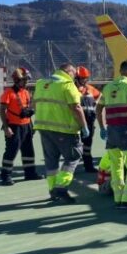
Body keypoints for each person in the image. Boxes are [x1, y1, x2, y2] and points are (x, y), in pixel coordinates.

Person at [33, 63, 89, 203]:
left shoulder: (41, 83)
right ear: (69, 71)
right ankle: (61, 188)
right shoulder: (67, 84)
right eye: (74, 74)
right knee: (73, 157)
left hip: (44, 127)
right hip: (65, 129)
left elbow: (34, 104)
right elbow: (76, 107)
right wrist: (84, 126)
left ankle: (53, 191)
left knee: (51, 161)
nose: (74, 77)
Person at [96, 60, 127, 210]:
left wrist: (102, 127)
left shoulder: (108, 86)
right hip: (126, 130)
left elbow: (98, 109)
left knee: (116, 165)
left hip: (111, 131)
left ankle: (118, 197)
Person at [0, 68, 42, 185]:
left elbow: (27, 108)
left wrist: (31, 125)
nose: (26, 82)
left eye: (27, 79)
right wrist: (6, 127)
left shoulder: (26, 92)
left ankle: (30, 173)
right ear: (17, 80)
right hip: (14, 126)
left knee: (28, 151)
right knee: (11, 151)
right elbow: (2, 110)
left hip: (26, 126)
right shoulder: (8, 93)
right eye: (24, 80)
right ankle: (6, 175)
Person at [75, 66, 101, 172]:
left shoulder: (90, 89)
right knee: (75, 146)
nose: (85, 80)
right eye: (82, 78)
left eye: (86, 78)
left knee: (87, 146)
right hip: (76, 122)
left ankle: (88, 166)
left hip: (89, 121)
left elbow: (100, 95)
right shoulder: (73, 89)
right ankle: (71, 167)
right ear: (77, 78)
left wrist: (96, 103)